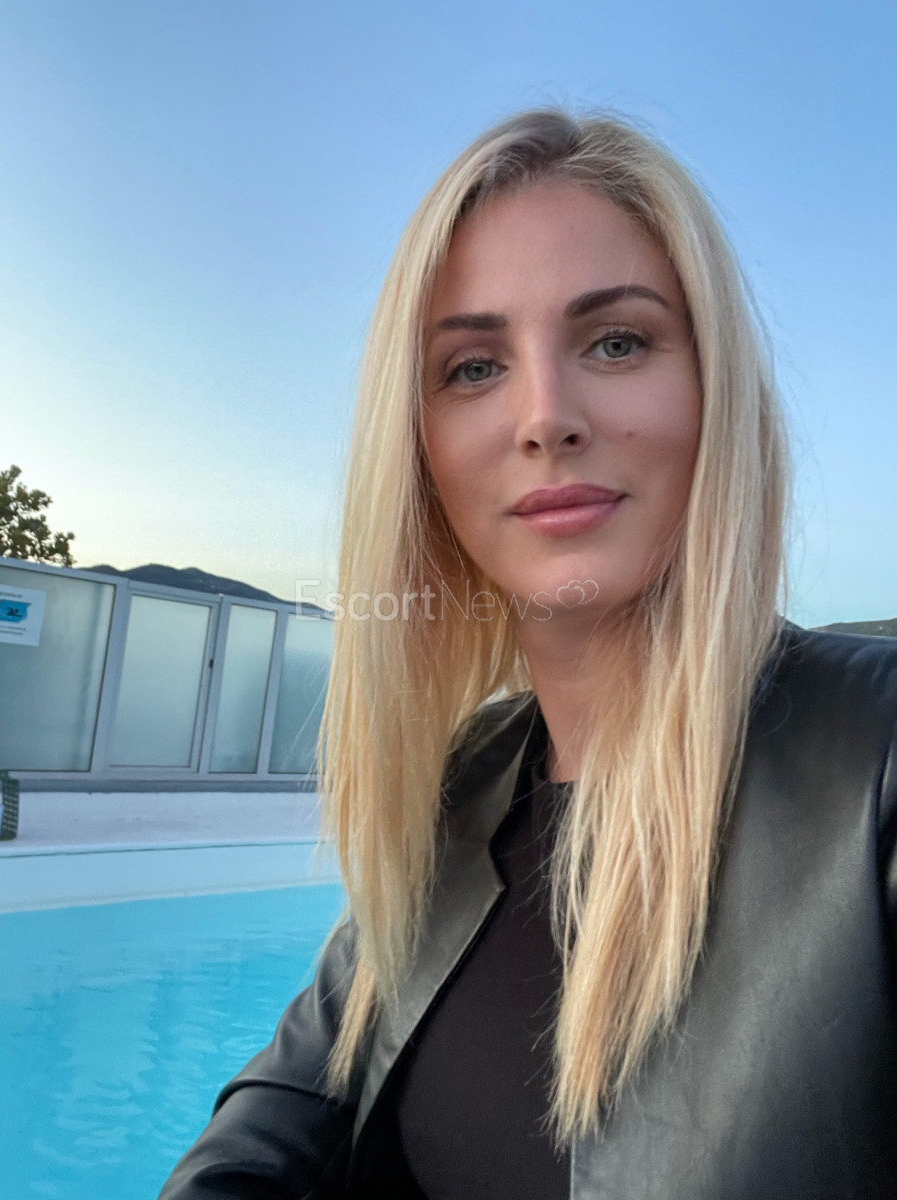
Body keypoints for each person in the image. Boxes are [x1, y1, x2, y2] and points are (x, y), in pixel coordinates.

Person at [158, 110, 897, 1199]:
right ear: (419, 453)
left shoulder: (878, 761)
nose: (546, 417)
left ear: (715, 389)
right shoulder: (459, 788)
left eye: (617, 342)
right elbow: (283, 1116)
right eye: (472, 367)